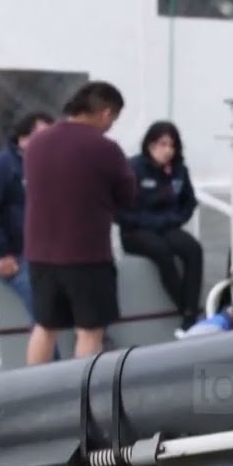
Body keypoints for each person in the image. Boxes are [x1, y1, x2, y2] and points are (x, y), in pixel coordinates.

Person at [23, 81, 136, 364]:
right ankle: (81, 389)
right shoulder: (104, 148)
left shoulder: (36, 143)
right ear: (106, 112)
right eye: (113, 119)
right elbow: (127, 196)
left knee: (45, 327)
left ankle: (31, 388)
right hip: (86, 255)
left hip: (40, 255)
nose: (110, 126)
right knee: (89, 331)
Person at [116, 121, 205, 330]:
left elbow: (189, 202)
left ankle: (191, 311)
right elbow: (119, 210)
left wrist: (177, 219)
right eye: (162, 144)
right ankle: (185, 309)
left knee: (193, 249)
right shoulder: (132, 168)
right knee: (161, 252)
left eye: (172, 145)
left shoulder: (179, 170)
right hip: (135, 231)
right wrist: (147, 222)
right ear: (150, 145)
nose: (168, 150)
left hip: (167, 226)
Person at [0, 111, 52, 321]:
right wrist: (0, 254)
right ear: (23, 137)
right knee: (43, 305)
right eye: (42, 136)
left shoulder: (50, 165)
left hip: (48, 253)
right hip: (13, 254)